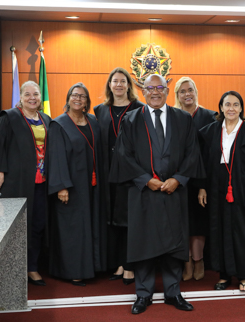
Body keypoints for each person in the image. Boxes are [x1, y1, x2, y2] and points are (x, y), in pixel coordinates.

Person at [109, 74, 204, 314]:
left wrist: (178, 179)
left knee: (174, 243)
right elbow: (123, 155)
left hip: (174, 191)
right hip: (143, 192)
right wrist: (145, 180)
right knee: (144, 244)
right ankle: (143, 295)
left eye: (160, 87)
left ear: (167, 90)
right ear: (143, 92)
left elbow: (193, 153)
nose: (155, 92)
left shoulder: (182, 118)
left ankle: (173, 292)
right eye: (150, 88)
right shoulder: (131, 120)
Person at [199, 91, 245, 292]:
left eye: (236, 104)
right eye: (227, 104)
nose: (231, 108)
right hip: (216, 186)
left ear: (241, 108)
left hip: (242, 186)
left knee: (242, 232)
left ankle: (242, 276)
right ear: (221, 107)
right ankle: (223, 275)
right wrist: (202, 187)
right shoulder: (210, 131)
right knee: (218, 230)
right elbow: (203, 163)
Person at [0, 81, 52, 286]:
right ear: (21, 97)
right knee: (16, 226)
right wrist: (0, 172)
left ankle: (32, 267)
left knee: (38, 224)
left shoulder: (46, 119)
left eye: (36, 94)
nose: (32, 98)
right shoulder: (10, 117)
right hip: (16, 181)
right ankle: (11, 269)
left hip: (41, 182)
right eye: (28, 94)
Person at [47, 82, 107, 286]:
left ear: (87, 102)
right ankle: (73, 270)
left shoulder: (93, 122)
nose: (78, 99)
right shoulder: (59, 124)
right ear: (68, 98)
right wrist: (62, 186)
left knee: (91, 224)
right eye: (74, 95)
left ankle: (92, 266)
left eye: (82, 96)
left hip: (92, 185)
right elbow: (55, 157)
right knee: (73, 229)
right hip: (71, 186)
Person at [93, 67, 144, 285]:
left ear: (129, 86)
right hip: (107, 173)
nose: (119, 85)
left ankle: (130, 264)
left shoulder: (140, 109)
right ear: (110, 85)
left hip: (130, 174)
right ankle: (116, 263)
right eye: (115, 81)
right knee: (111, 219)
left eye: (123, 81)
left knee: (129, 220)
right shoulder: (99, 110)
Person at [173, 76, 217, 281]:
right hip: (178, 180)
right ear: (177, 95)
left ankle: (199, 260)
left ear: (195, 91)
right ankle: (186, 261)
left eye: (190, 90)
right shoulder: (171, 116)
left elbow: (212, 155)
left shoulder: (210, 116)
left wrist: (203, 185)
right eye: (182, 91)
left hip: (202, 179)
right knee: (181, 223)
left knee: (198, 223)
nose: (187, 94)